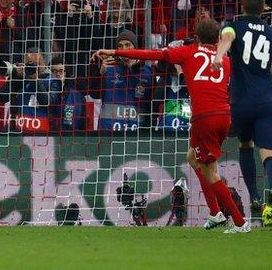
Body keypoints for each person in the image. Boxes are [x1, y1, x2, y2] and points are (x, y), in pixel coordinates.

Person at [93, 19, 250, 233]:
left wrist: (113, 51)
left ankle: (240, 223)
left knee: (211, 171)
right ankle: (215, 213)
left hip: (204, 117)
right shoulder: (226, 60)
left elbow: (151, 55)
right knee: (193, 158)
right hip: (224, 115)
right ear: (216, 39)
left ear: (196, 37)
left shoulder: (188, 52)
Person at [211, 0, 272, 226]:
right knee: (269, 154)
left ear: (242, 7)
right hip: (267, 102)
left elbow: (225, 39)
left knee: (245, 145)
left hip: (241, 103)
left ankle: (255, 196)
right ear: (264, 9)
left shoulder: (233, 26)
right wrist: (270, 72)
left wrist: (218, 57)